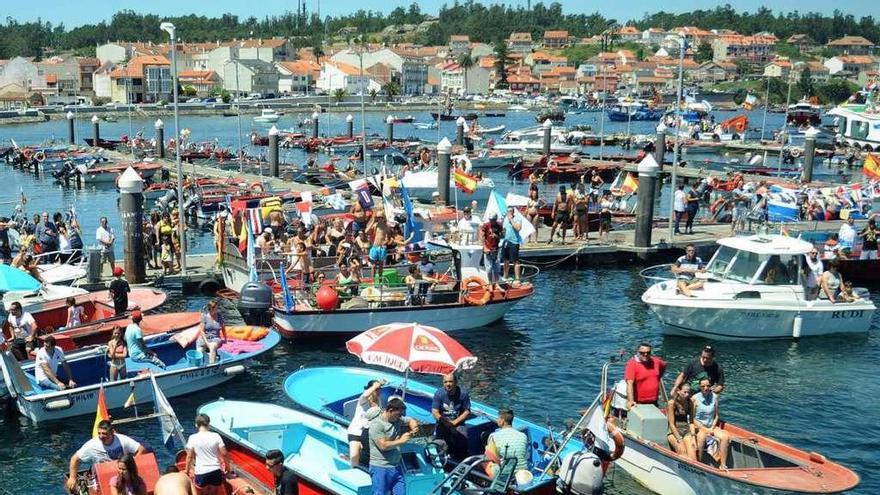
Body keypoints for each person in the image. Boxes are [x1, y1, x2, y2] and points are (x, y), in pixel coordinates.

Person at [67, 420, 146, 493]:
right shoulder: (92, 445)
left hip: (123, 472)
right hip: (100, 474)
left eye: (104, 433)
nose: (101, 436)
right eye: (99, 433)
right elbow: (75, 459)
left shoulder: (122, 440)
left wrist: (131, 467)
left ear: (112, 432)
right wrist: (72, 478)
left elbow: (141, 449)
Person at [369, 398, 419, 495]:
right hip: (380, 467)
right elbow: (383, 446)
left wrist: (414, 429)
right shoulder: (377, 425)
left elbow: (411, 420)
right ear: (390, 411)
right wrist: (401, 441)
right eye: (399, 414)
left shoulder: (397, 420)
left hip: (396, 467)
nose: (400, 417)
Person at [431, 373, 471, 462]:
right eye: (445, 382)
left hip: (458, 423)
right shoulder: (439, 393)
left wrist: (454, 423)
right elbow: (435, 412)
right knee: (440, 444)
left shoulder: (463, 394)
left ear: (456, 382)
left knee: (463, 439)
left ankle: (460, 459)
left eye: (450, 381)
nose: (448, 384)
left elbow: (467, 411)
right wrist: (446, 423)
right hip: (443, 423)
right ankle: (442, 460)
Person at [185, 414, 229, 495]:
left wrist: (187, 471)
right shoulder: (216, 436)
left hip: (201, 472)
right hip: (215, 471)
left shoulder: (192, 438)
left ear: (196, 425)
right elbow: (224, 454)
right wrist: (228, 467)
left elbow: (189, 457)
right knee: (213, 493)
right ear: (209, 424)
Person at [691, 378, 730, 469]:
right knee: (701, 438)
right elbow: (692, 418)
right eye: (703, 386)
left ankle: (723, 465)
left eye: (708, 386)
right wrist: (704, 429)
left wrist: (712, 427)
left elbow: (716, 415)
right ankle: (699, 465)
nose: (706, 388)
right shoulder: (694, 399)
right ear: (699, 387)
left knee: (725, 437)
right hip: (699, 426)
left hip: (711, 425)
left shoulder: (714, 397)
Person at [348, 379, 385, 467]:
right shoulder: (363, 399)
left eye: (379, 389)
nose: (378, 391)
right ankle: (354, 470)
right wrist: (376, 385)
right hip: (356, 431)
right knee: (354, 455)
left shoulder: (379, 401)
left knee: (369, 456)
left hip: (368, 433)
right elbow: (365, 394)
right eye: (376, 389)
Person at [485, 407, 528, 476]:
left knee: (485, 462)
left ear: (502, 421)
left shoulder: (494, 436)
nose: (497, 420)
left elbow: (491, 458)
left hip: (506, 475)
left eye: (498, 418)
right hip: (523, 473)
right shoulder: (523, 436)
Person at [624, 343, 666, 410]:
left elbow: (664, 365)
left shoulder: (657, 361)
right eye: (642, 353)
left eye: (648, 352)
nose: (645, 354)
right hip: (639, 402)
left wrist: (659, 377)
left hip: (654, 401)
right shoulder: (632, 364)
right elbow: (629, 383)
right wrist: (631, 401)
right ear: (638, 353)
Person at [666, 383, 697, 461]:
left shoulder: (690, 402)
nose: (687, 395)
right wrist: (679, 439)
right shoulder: (672, 403)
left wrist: (693, 437)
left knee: (693, 456)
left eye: (688, 392)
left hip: (686, 430)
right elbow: (672, 424)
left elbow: (691, 421)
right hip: (673, 431)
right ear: (678, 391)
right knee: (682, 452)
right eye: (685, 392)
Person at [199, 300, 226, 365]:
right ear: (211, 308)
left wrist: (225, 338)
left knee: (212, 346)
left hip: (215, 338)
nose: (217, 309)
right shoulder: (204, 316)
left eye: (217, 308)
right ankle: (199, 368)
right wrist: (207, 342)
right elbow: (202, 331)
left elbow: (223, 328)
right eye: (216, 308)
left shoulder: (219, 316)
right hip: (205, 338)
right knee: (199, 350)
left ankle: (211, 365)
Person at [367, 212, 392, 282]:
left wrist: (385, 242)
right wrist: (373, 221)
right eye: (378, 217)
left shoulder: (386, 227)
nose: (379, 219)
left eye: (381, 217)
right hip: (375, 246)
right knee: (373, 266)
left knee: (381, 266)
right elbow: (367, 231)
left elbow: (389, 238)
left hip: (382, 248)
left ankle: (380, 281)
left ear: (383, 218)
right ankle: (373, 281)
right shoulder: (375, 225)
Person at [480, 213, 503, 290]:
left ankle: (496, 284)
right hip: (488, 249)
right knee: (489, 268)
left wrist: (497, 236)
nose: (491, 221)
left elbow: (502, 235)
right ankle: (490, 283)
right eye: (490, 220)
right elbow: (482, 236)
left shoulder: (499, 225)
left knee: (496, 267)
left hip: (496, 249)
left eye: (493, 220)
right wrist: (484, 247)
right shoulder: (486, 225)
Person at [501, 206, 522, 284]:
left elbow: (518, 228)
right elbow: (503, 230)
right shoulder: (505, 219)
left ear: (513, 212)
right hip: (506, 241)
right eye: (508, 211)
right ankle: (505, 276)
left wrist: (511, 220)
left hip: (514, 242)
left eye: (510, 211)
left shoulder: (517, 219)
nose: (509, 213)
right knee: (505, 260)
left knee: (515, 261)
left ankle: (517, 278)